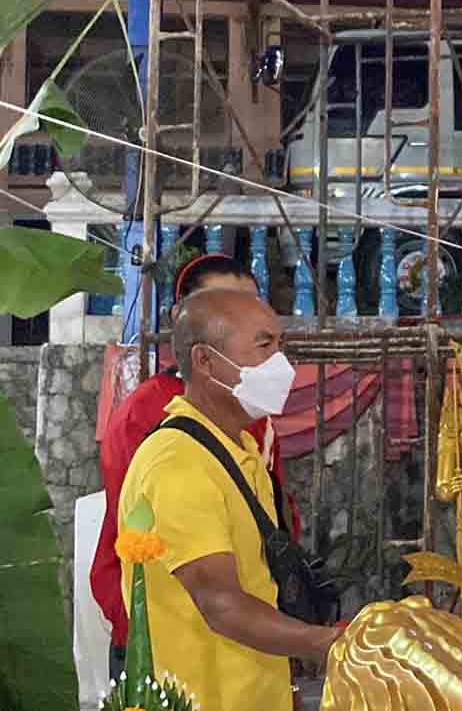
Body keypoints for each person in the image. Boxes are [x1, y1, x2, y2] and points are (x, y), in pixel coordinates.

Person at [119, 289, 339, 711]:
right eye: (264, 346)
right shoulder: (178, 464)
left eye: (280, 346)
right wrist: (326, 643)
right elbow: (222, 605)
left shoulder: (239, 449)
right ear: (205, 361)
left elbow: (260, 588)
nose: (281, 364)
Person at [91, 255, 299, 681]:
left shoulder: (250, 421)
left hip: (253, 637)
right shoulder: (151, 418)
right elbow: (158, 539)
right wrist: (321, 641)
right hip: (178, 644)